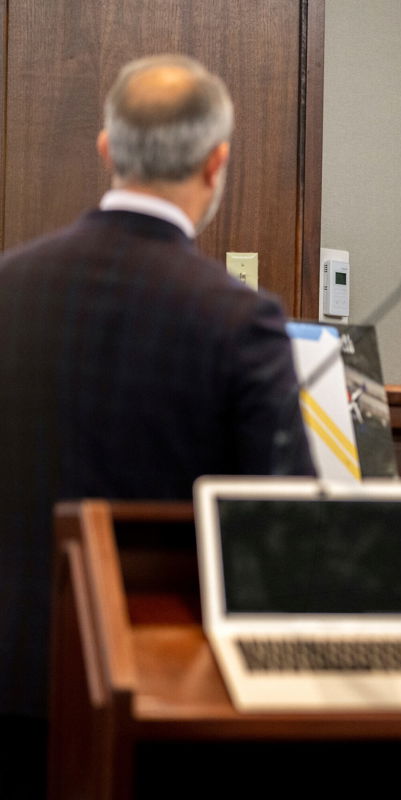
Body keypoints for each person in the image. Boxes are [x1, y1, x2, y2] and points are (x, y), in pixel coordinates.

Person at [0, 54, 314, 795]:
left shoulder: (5, 291)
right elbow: (283, 525)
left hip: (10, 683)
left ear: (108, 150)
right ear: (217, 164)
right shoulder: (241, 320)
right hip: (164, 692)